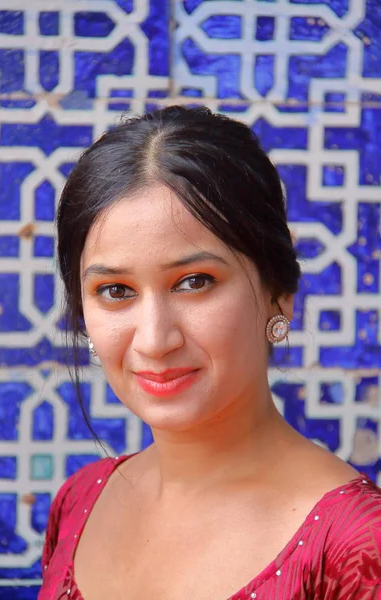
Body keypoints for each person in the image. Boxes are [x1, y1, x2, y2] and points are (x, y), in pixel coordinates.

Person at [39, 106, 381, 600]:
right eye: (115, 290)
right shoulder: (79, 501)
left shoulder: (355, 545)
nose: (155, 340)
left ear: (278, 290)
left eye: (194, 282)